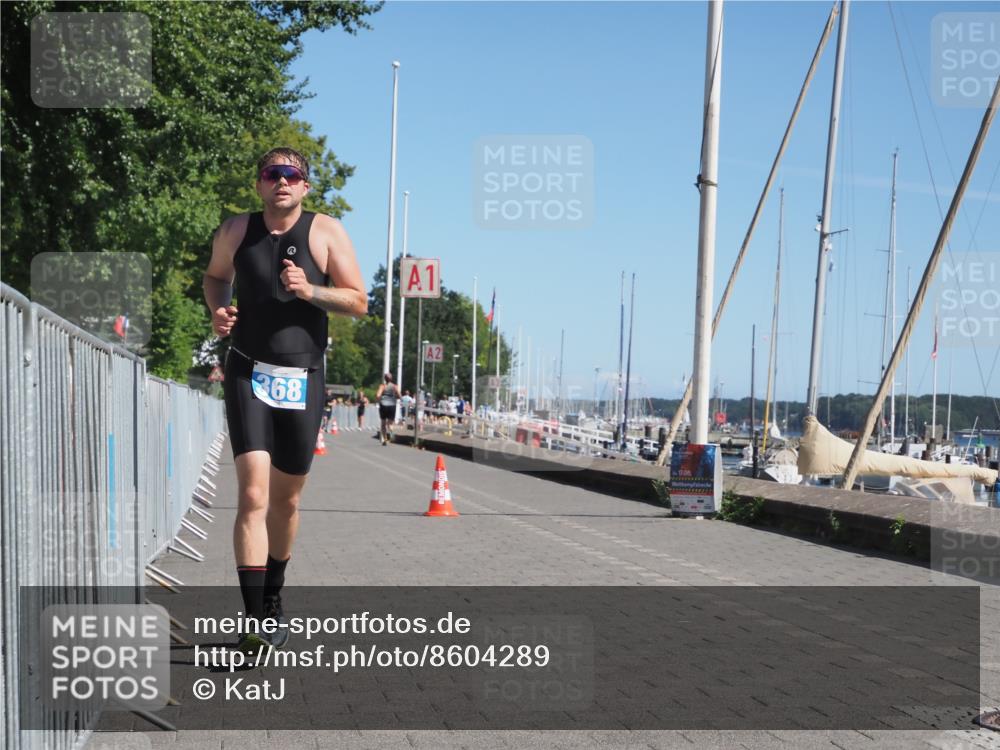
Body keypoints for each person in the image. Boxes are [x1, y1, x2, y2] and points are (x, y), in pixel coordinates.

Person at [203, 147, 367, 654]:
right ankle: (252, 622)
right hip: (247, 369)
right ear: (259, 184)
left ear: (305, 187)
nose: (282, 182)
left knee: (286, 500)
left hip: (302, 375)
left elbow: (359, 301)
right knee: (252, 495)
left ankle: (274, 593)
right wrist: (218, 312)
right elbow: (215, 277)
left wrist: (310, 291)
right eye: (273, 174)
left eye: (292, 175)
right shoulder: (235, 230)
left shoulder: (326, 232)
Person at [375, 373, 400, 445]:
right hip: (392, 405)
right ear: (391, 379)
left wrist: (379, 399)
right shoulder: (395, 386)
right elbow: (399, 395)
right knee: (390, 423)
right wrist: (395, 397)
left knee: (383, 423)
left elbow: (378, 395)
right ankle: (391, 431)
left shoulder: (382, 386)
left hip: (383, 405)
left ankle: (385, 439)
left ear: (385, 379)